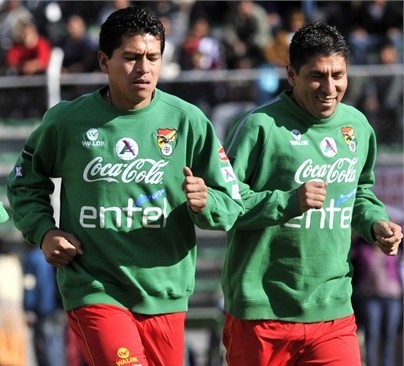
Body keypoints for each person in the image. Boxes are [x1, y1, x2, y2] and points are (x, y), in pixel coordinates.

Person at [7, 6, 243, 366]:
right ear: (104, 61)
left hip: (165, 292)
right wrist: (44, 232)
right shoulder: (68, 122)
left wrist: (206, 201)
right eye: (131, 57)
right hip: (95, 288)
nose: (144, 68)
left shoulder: (188, 121)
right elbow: (25, 181)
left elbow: (231, 202)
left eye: (153, 57)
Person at [221, 21, 403, 366]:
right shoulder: (259, 126)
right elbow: (221, 205)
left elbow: (360, 191)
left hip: (332, 309)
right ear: (291, 74)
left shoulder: (358, 126)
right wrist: (287, 202)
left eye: (338, 75)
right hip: (262, 311)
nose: (330, 87)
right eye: (317, 75)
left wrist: (376, 223)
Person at [351, 232, 403, 366]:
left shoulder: (394, 249)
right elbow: (349, 253)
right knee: (372, 334)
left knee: (389, 335)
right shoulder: (362, 249)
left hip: (392, 297)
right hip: (370, 296)